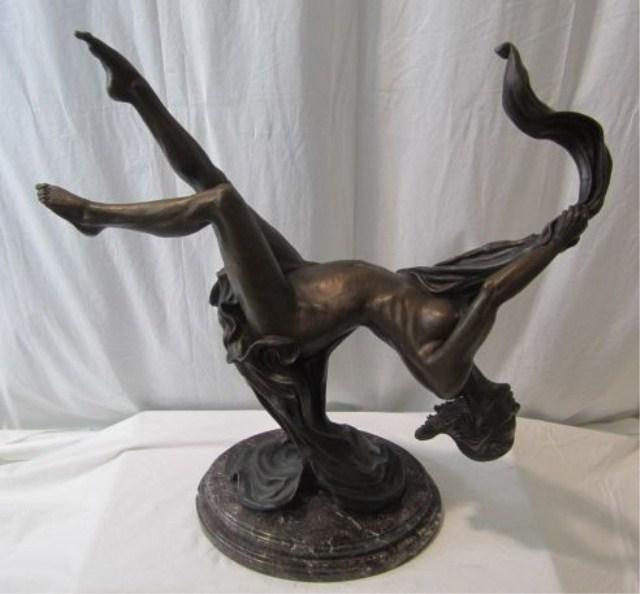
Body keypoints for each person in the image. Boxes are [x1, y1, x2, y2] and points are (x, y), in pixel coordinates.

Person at [37, 33, 610, 483]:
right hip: (305, 278)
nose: (515, 405)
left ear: (482, 421)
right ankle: (135, 91)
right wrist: (547, 235)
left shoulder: (448, 373)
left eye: (508, 422)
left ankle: (93, 215)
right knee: (213, 180)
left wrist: (556, 245)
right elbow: (484, 277)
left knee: (220, 204)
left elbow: (493, 293)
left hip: (291, 314)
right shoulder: (456, 348)